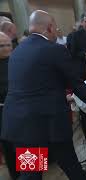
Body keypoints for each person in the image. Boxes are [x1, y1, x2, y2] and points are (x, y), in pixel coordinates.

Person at [1, 10, 86, 180]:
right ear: (49, 28)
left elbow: (36, 84)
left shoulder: (18, 51)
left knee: (33, 172)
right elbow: (76, 84)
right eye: (55, 27)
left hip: (22, 125)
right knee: (65, 165)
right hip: (49, 124)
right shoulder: (55, 50)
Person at [0, 32, 19, 180]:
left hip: (24, 112)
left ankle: (33, 174)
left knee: (30, 144)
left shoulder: (19, 60)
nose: (6, 48)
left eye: (8, 44)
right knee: (9, 148)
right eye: (1, 45)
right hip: (3, 113)